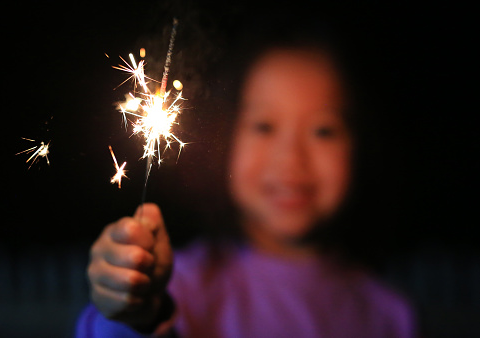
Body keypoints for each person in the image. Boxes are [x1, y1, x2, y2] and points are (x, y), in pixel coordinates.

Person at [76, 32, 416, 338]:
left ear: (361, 145)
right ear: (225, 140)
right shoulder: (178, 286)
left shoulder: (391, 316)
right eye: (265, 126)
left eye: (323, 130)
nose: (290, 157)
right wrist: (136, 315)